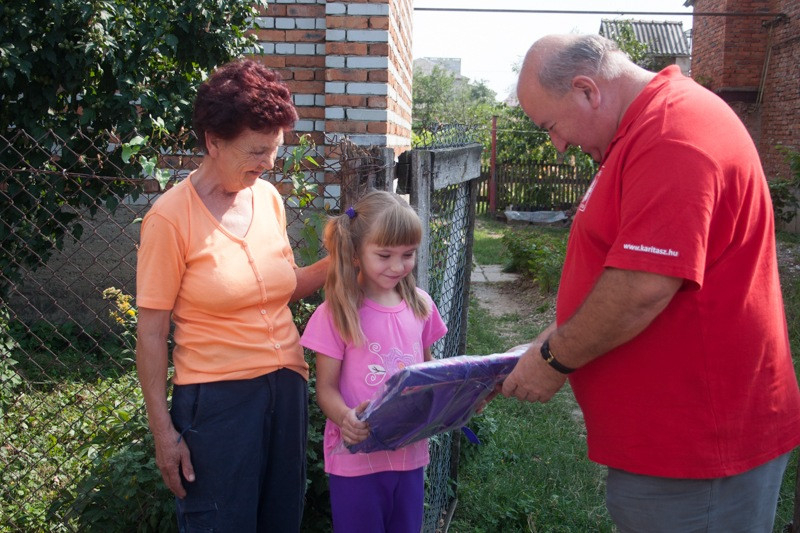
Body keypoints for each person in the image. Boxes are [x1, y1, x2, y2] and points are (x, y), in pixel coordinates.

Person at [502, 34, 800, 532]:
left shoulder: (671, 134)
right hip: (676, 449)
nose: (558, 144)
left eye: (551, 126)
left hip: (700, 452)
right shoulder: (643, 130)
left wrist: (553, 360)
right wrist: (549, 338)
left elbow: (642, 288)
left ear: (587, 90)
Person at [135, 59, 329, 532]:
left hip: (286, 389)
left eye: (275, 150)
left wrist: (341, 262)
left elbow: (282, 287)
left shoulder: (268, 199)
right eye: (257, 150)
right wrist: (163, 434)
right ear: (213, 142)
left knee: (281, 521)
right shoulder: (169, 218)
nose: (269, 163)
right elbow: (152, 333)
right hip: (217, 404)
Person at [299, 190, 448, 533]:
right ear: (355, 253)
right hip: (356, 460)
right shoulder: (335, 314)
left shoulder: (421, 306)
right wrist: (344, 417)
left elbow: (429, 373)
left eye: (408, 254)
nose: (398, 266)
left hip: (409, 455)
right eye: (384, 255)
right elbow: (326, 389)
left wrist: (459, 396)